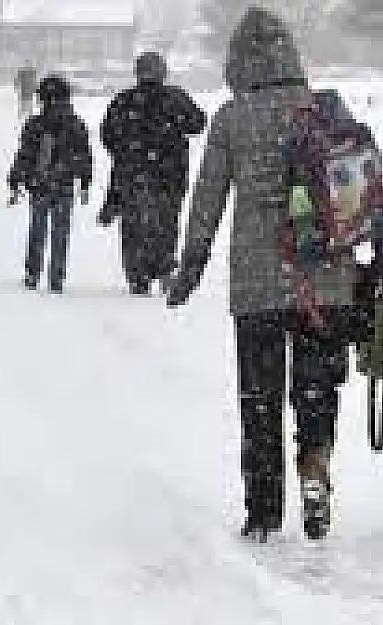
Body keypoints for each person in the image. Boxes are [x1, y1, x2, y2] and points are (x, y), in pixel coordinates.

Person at [167, 8, 365, 541]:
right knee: (317, 388)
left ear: (238, 63)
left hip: (258, 282)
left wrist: (191, 263)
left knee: (261, 397)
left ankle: (263, 510)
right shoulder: (324, 110)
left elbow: (207, 197)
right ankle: (316, 464)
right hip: (327, 280)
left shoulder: (233, 118)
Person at [100, 51, 207, 295]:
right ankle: (165, 266)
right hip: (170, 174)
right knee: (167, 222)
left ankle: (137, 274)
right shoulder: (175, 98)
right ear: (163, 72)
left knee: (133, 225)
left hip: (131, 174)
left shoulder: (124, 101)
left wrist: (129, 147)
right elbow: (198, 123)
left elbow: (108, 136)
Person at [7, 75, 92, 294]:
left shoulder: (35, 124)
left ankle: (32, 272)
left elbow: (24, 154)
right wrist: (84, 182)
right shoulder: (75, 124)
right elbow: (84, 156)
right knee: (60, 232)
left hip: (40, 184)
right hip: (64, 185)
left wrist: (15, 180)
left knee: (37, 228)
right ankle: (57, 276)